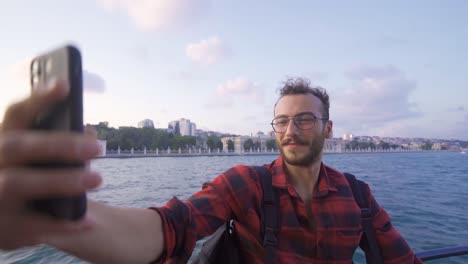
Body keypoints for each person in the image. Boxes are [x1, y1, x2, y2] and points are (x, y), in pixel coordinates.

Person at [0, 77, 422, 263]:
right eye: (281, 121)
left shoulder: (359, 198)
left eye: (305, 120)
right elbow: (169, 227)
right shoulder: (246, 184)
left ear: (328, 129)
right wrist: (64, 218)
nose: (290, 131)